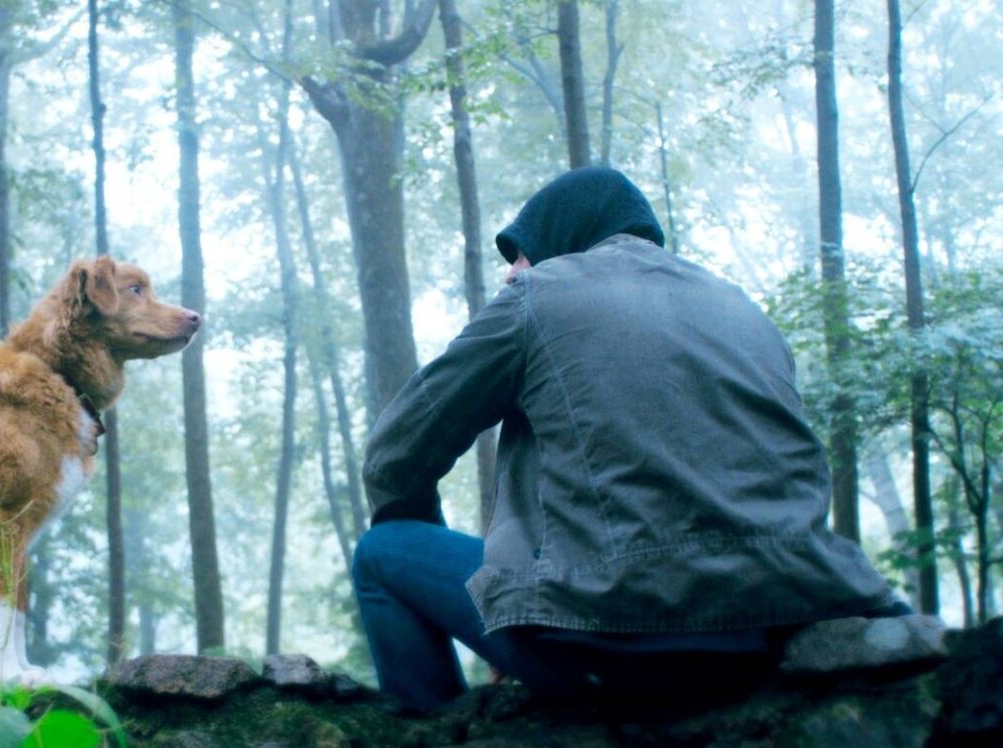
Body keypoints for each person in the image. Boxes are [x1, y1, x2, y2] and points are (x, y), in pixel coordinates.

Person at [352, 167, 903, 712]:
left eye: (518, 253)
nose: (510, 274)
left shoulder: (537, 297)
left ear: (558, 238)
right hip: (784, 620)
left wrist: (504, 591)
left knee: (384, 550)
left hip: (616, 638)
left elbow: (394, 456)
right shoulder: (741, 306)